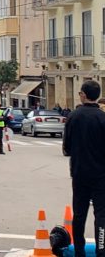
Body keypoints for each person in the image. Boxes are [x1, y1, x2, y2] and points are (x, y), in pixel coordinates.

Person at [63, 80, 105, 257]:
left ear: (83, 95)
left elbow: (67, 148)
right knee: (101, 214)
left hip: (80, 172)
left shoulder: (74, 116)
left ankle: (79, 250)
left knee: (79, 214)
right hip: (101, 174)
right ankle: (101, 250)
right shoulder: (103, 118)